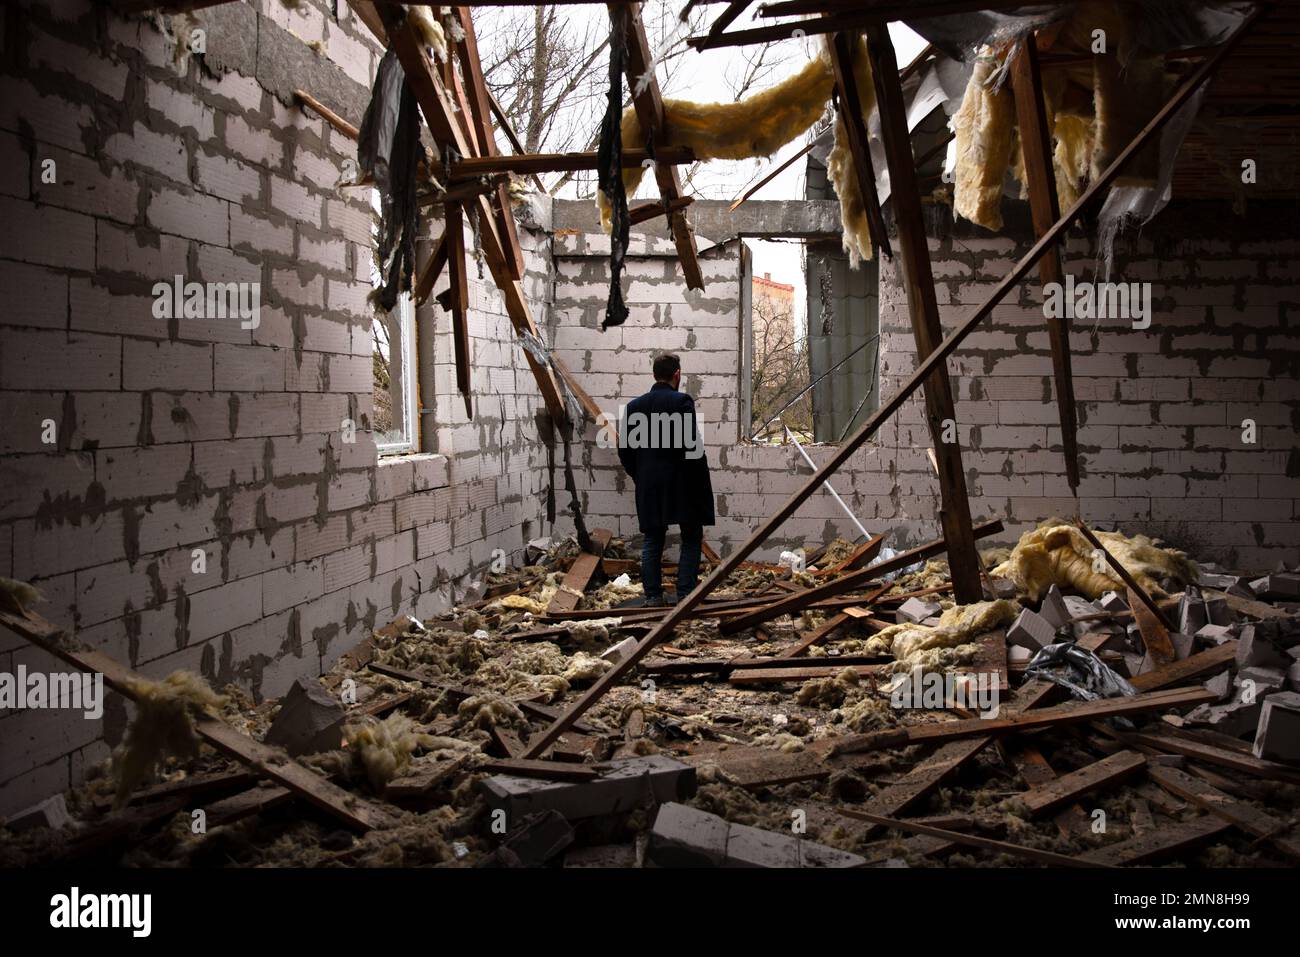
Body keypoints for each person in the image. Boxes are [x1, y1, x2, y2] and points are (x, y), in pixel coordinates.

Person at [617, 354, 715, 606]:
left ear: (653, 375)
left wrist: (639, 475)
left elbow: (625, 450)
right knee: (691, 536)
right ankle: (685, 595)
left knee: (653, 537)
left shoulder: (634, 407)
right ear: (677, 374)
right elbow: (691, 444)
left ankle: (652, 596)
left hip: (649, 483)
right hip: (682, 481)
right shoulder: (681, 401)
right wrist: (699, 481)